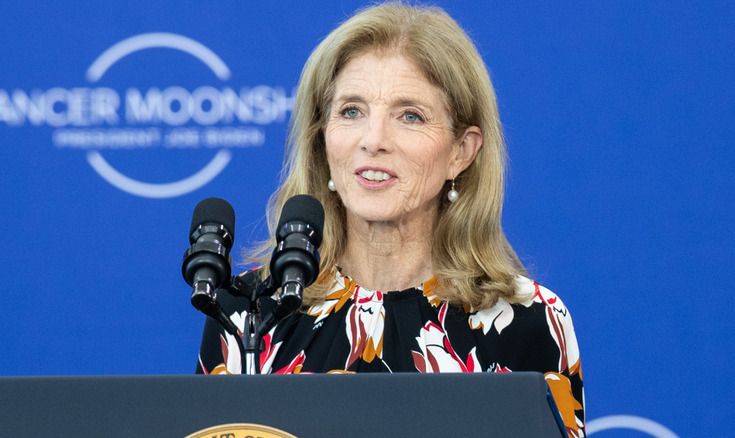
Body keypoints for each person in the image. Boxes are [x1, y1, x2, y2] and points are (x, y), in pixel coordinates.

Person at [197, 2, 585, 436]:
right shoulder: (250, 311)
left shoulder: (527, 318)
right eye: (351, 111)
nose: (373, 140)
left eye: (410, 116)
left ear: (462, 151)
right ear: (322, 140)